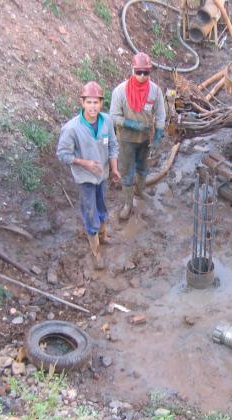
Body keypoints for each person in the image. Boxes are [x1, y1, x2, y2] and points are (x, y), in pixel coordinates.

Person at [57, 81, 120, 269]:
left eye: (96, 102)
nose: (93, 107)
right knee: (90, 212)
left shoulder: (107, 121)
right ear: (82, 102)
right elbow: (62, 154)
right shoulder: (72, 129)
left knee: (101, 206)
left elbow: (113, 145)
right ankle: (96, 251)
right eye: (89, 102)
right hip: (85, 179)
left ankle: (103, 235)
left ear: (102, 103)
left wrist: (114, 168)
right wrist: (85, 163)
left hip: (102, 176)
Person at [109, 52, 166, 220]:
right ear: (132, 70)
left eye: (146, 72)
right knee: (126, 171)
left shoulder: (155, 91)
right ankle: (128, 202)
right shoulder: (120, 91)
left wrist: (158, 136)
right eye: (138, 72)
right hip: (126, 140)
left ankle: (140, 191)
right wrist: (132, 124)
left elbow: (161, 115)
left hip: (145, 140)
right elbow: (113, 116)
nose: (142, 76)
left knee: (142, 167)